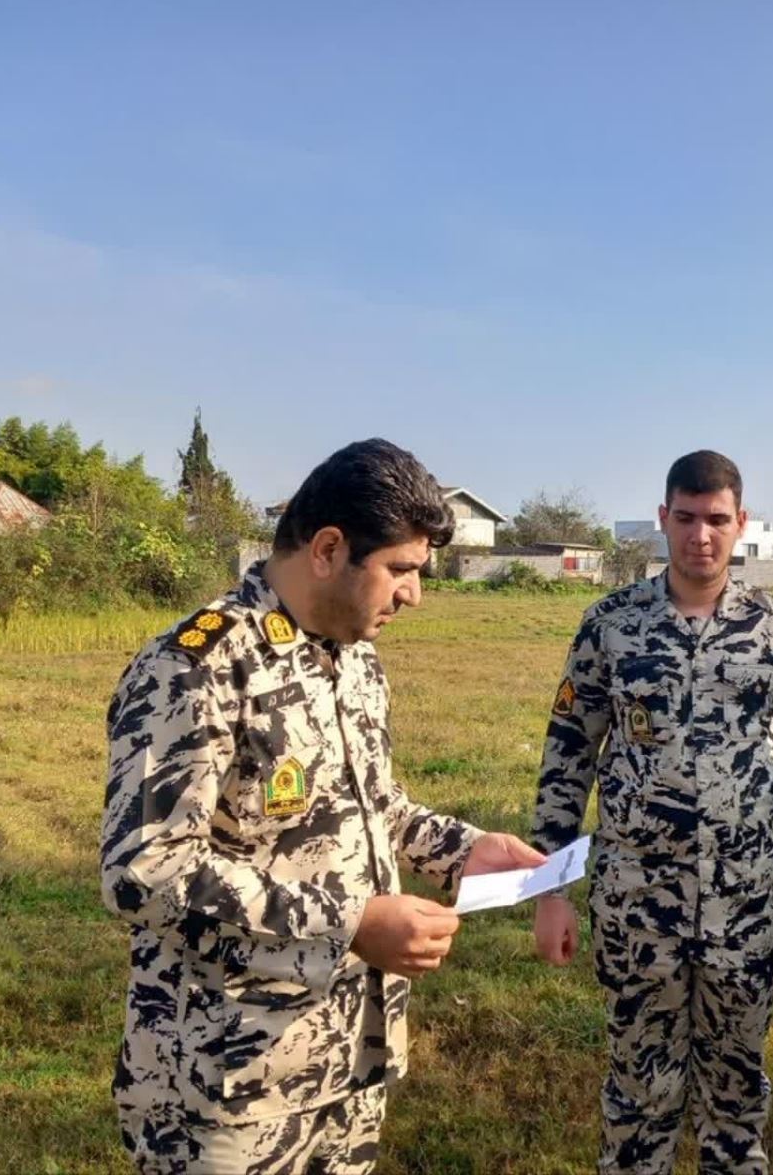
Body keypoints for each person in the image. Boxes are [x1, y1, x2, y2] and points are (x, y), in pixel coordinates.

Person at [101, 438, 544, 1174]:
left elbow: (373, 802)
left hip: (345, 1061)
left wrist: (460, 849)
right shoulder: (197, 667)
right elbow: (143, 870)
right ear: (329, 549)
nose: (415, 595)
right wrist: (350, 924)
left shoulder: (352, 656)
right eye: (400, 570)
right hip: (225, 1087)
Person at [530, 449, 773, 1174]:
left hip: (745, 907)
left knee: (736, 1095)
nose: (700, 536)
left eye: (716, 520)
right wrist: (549, 891)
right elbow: (565, 761)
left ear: (740, 524)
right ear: (662, 520)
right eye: (685, 518)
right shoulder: (610, 626)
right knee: (638, 1095)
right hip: (638, 906)